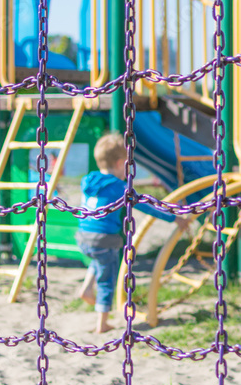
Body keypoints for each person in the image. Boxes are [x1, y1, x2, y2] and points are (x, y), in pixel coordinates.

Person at [77, 133, 190, 332]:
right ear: (119, 163)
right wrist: (174, 218)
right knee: (107, 279)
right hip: (104, 238)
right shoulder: (119, 187)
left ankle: (86, 288)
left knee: (98, 260)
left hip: (83, 236)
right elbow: (147, 206)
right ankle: (102, 323)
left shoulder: (88, 180)